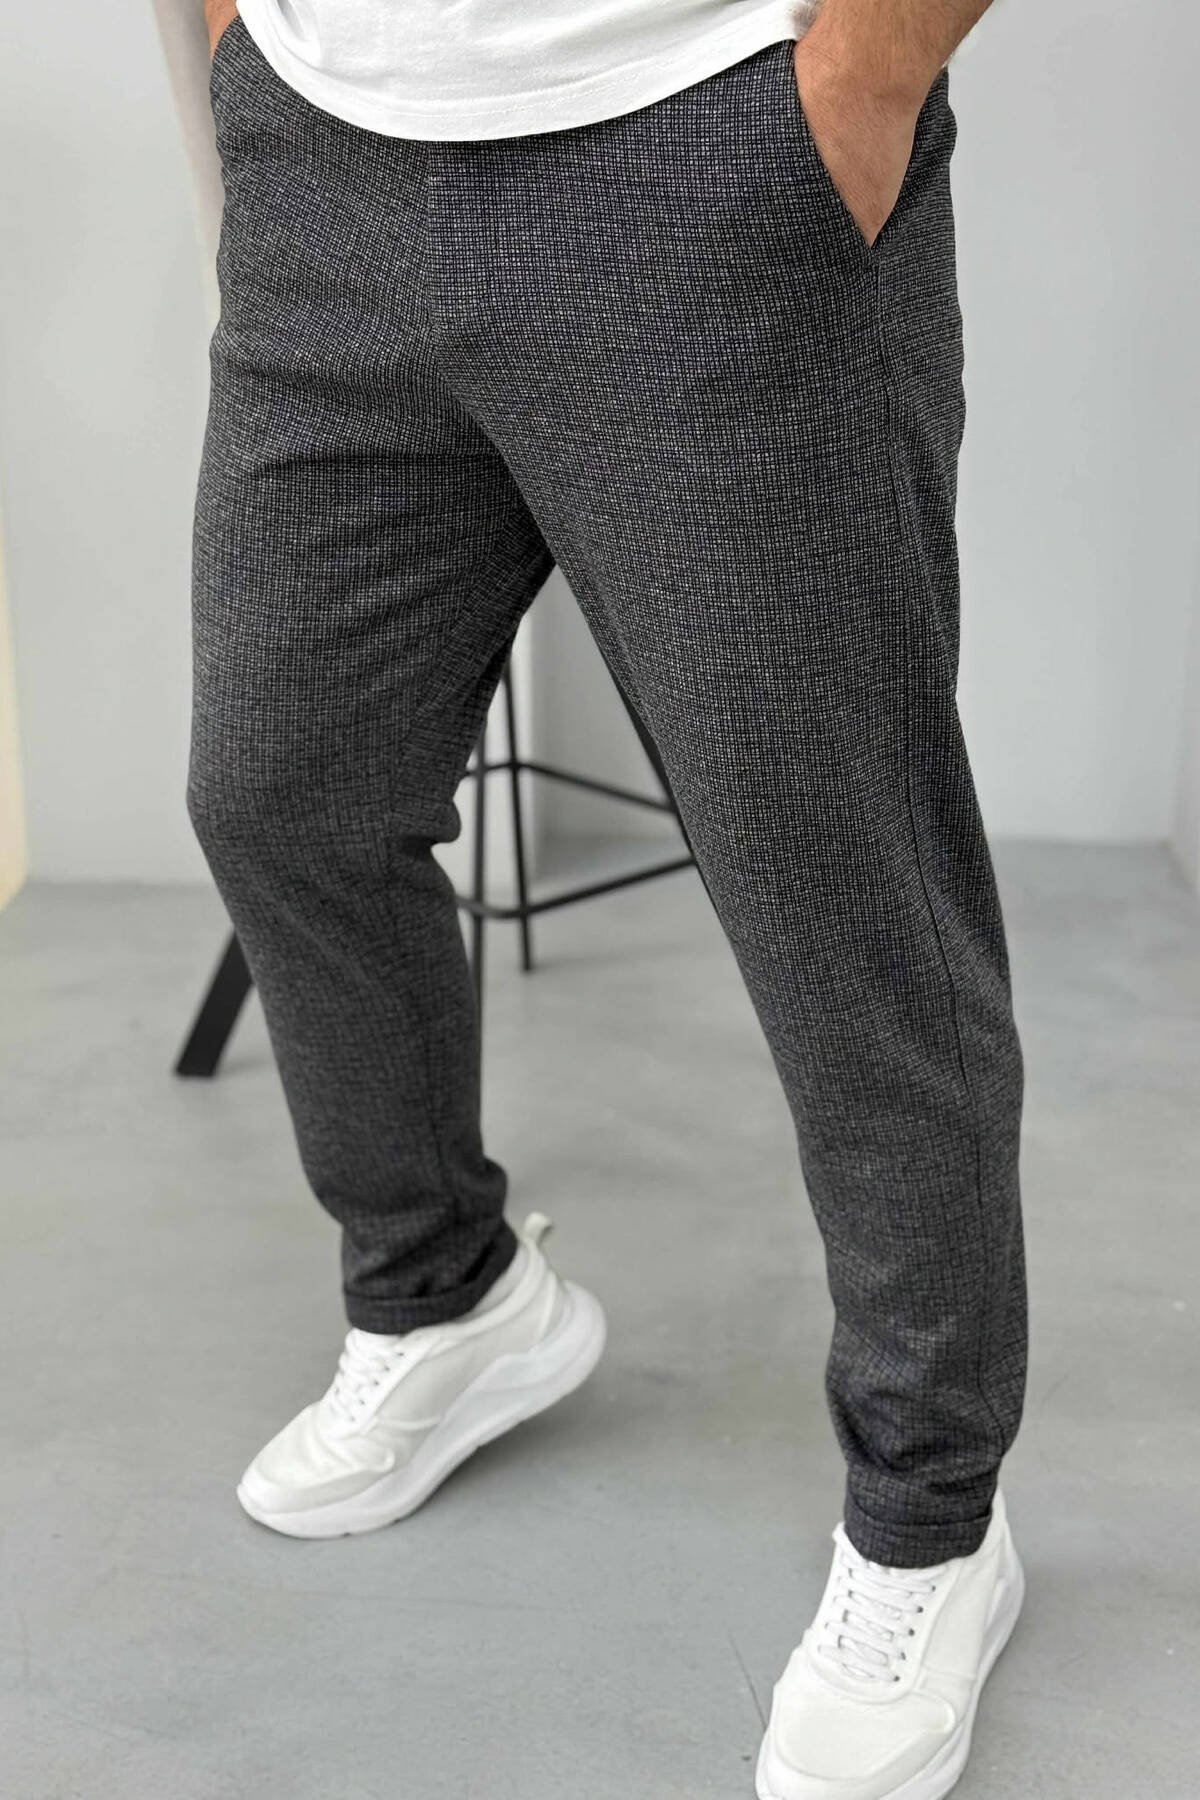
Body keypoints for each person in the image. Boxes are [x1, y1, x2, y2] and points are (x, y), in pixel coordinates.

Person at [190, 0, 1028, 1792]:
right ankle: (443, 1297)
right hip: (326, 160)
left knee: (840, 886)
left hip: (704, 146)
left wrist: (858, 84)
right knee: (283, 795)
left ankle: (932, 1514)